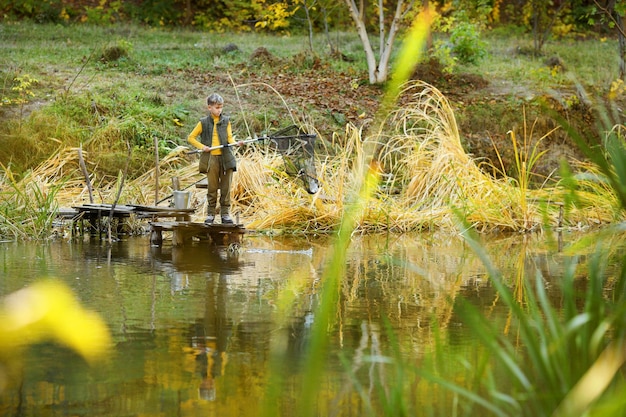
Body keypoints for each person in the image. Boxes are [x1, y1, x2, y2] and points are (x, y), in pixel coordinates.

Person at [188, 93, 242, 225]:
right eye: (217, 107)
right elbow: (191, 138)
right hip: (211, 159)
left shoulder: (226, 121)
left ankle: (225, 215)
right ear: (209, 108)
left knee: (226, 188)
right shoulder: (203, 123)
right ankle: (210, 214)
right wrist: (203, 147)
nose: (219, 110)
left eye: (221, 107)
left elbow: (229, 138)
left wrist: (235, 143)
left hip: (226, 158)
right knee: (212, 188)